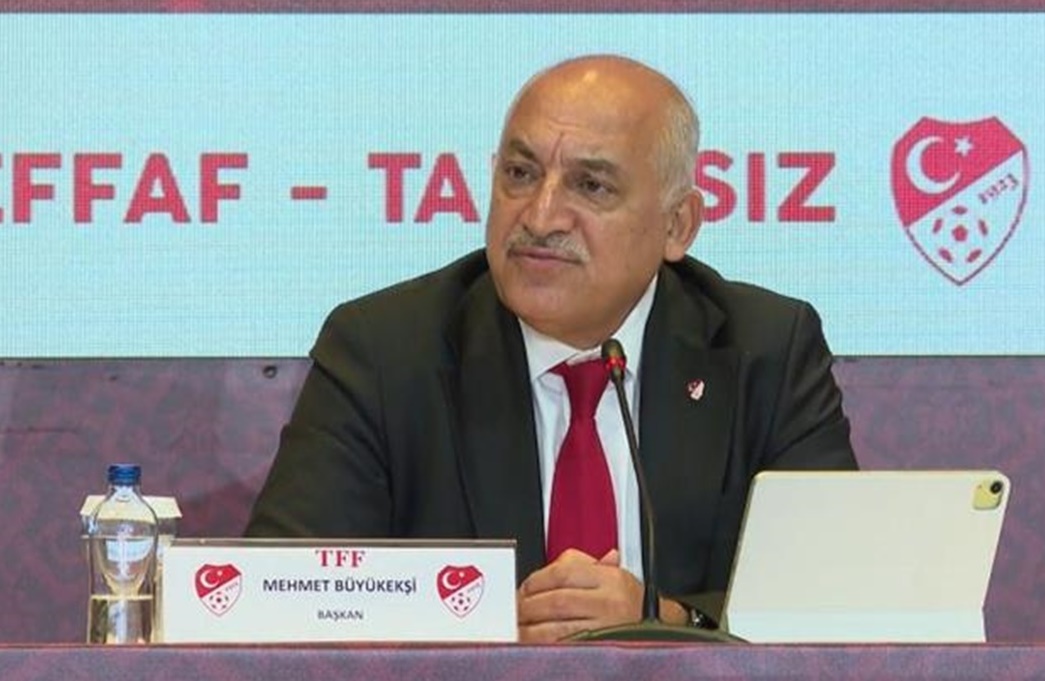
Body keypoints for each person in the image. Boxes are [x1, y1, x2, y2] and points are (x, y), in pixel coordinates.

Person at [245, 54, 858, 642]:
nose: (540, 217)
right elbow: (283, 596)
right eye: (520, 174)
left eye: (591, 185)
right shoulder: (384, 351)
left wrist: (666, 621)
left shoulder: (765, 351)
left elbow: (833, 598)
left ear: (677, 225)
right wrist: (478, 628)